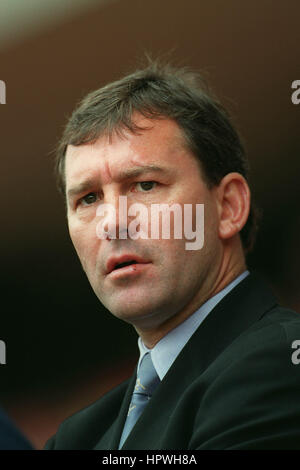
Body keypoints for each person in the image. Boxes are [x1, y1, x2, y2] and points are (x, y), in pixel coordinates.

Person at [45, 59, 300, 450]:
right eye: (88, 198)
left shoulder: (279, 364)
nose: (113, 223)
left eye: (145, 185)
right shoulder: (80, 437)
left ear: (229, 206)